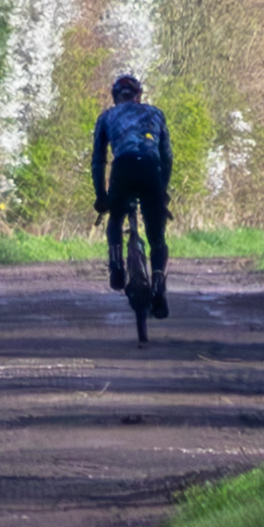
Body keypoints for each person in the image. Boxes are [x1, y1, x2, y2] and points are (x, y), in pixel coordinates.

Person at [90, 74, 173, 338]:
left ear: (116, 97)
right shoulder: (156, 113)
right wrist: (163, 190)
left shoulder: (106, 117)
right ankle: (158, 281)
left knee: (115, 218)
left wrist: (101, 196)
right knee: (157, 238)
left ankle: (116, 261)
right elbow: (167, 156)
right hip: (150, 170)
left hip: (123, 169)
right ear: (139, 95)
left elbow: (98, 160)